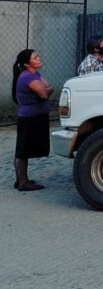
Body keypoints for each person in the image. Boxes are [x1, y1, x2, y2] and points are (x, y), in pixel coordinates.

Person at [12, 49, 53, 191]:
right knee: (22, 150)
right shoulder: (27, 77)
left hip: (36, 116)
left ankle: (22, 179)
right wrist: (47, 89)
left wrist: (47, 89)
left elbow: (48, 87)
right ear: (26, 63)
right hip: (29, 118)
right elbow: (44, 93)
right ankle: (23, 182)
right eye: (35, 57)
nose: (39, 58)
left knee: (25, 148)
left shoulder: (34, 74)